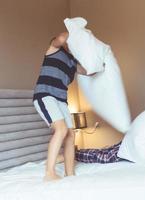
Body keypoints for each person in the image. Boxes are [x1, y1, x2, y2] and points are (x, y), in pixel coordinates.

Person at [33, 32, 93, 181]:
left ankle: (69, 172)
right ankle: (49, 173)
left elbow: (88, 72)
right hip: (45, 95)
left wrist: (104, 63)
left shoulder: (73, 63)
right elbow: (60, 39)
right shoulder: (54, 49)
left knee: (71, 135)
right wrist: (74, 29)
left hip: (61, 100)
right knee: (60, 129)